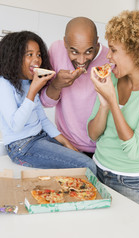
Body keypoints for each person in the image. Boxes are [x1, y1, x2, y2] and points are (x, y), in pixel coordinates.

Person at [88, 8, 139, 210]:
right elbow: (93, 135)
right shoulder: (111, 78)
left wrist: (112, 100)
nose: (108, 56)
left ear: (137, 52)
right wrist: (104, 105)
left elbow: (135, 151)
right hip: (97, 171)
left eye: (113, 49)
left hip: (130, 184)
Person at [0, 30, 97, 175]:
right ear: (14, 56)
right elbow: (15, 125)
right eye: (30, 54)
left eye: (38, 54)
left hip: (40, 137)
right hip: (21, 147)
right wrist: (33, 90)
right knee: (87, 165)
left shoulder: (28, 81)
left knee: (83, 159)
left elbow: (43, 119)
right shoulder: (4, 84)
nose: (37, 60)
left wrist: (65, 143)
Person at [40, 17, 110, 157]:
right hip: (66, 145)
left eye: (89, 52)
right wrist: (56, 84)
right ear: (65, 42)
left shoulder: (110, 58)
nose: (81, 60)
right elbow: (45, 103)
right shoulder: (56, 50)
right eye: (74, 52)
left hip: (101, 149)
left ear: (97, 42)